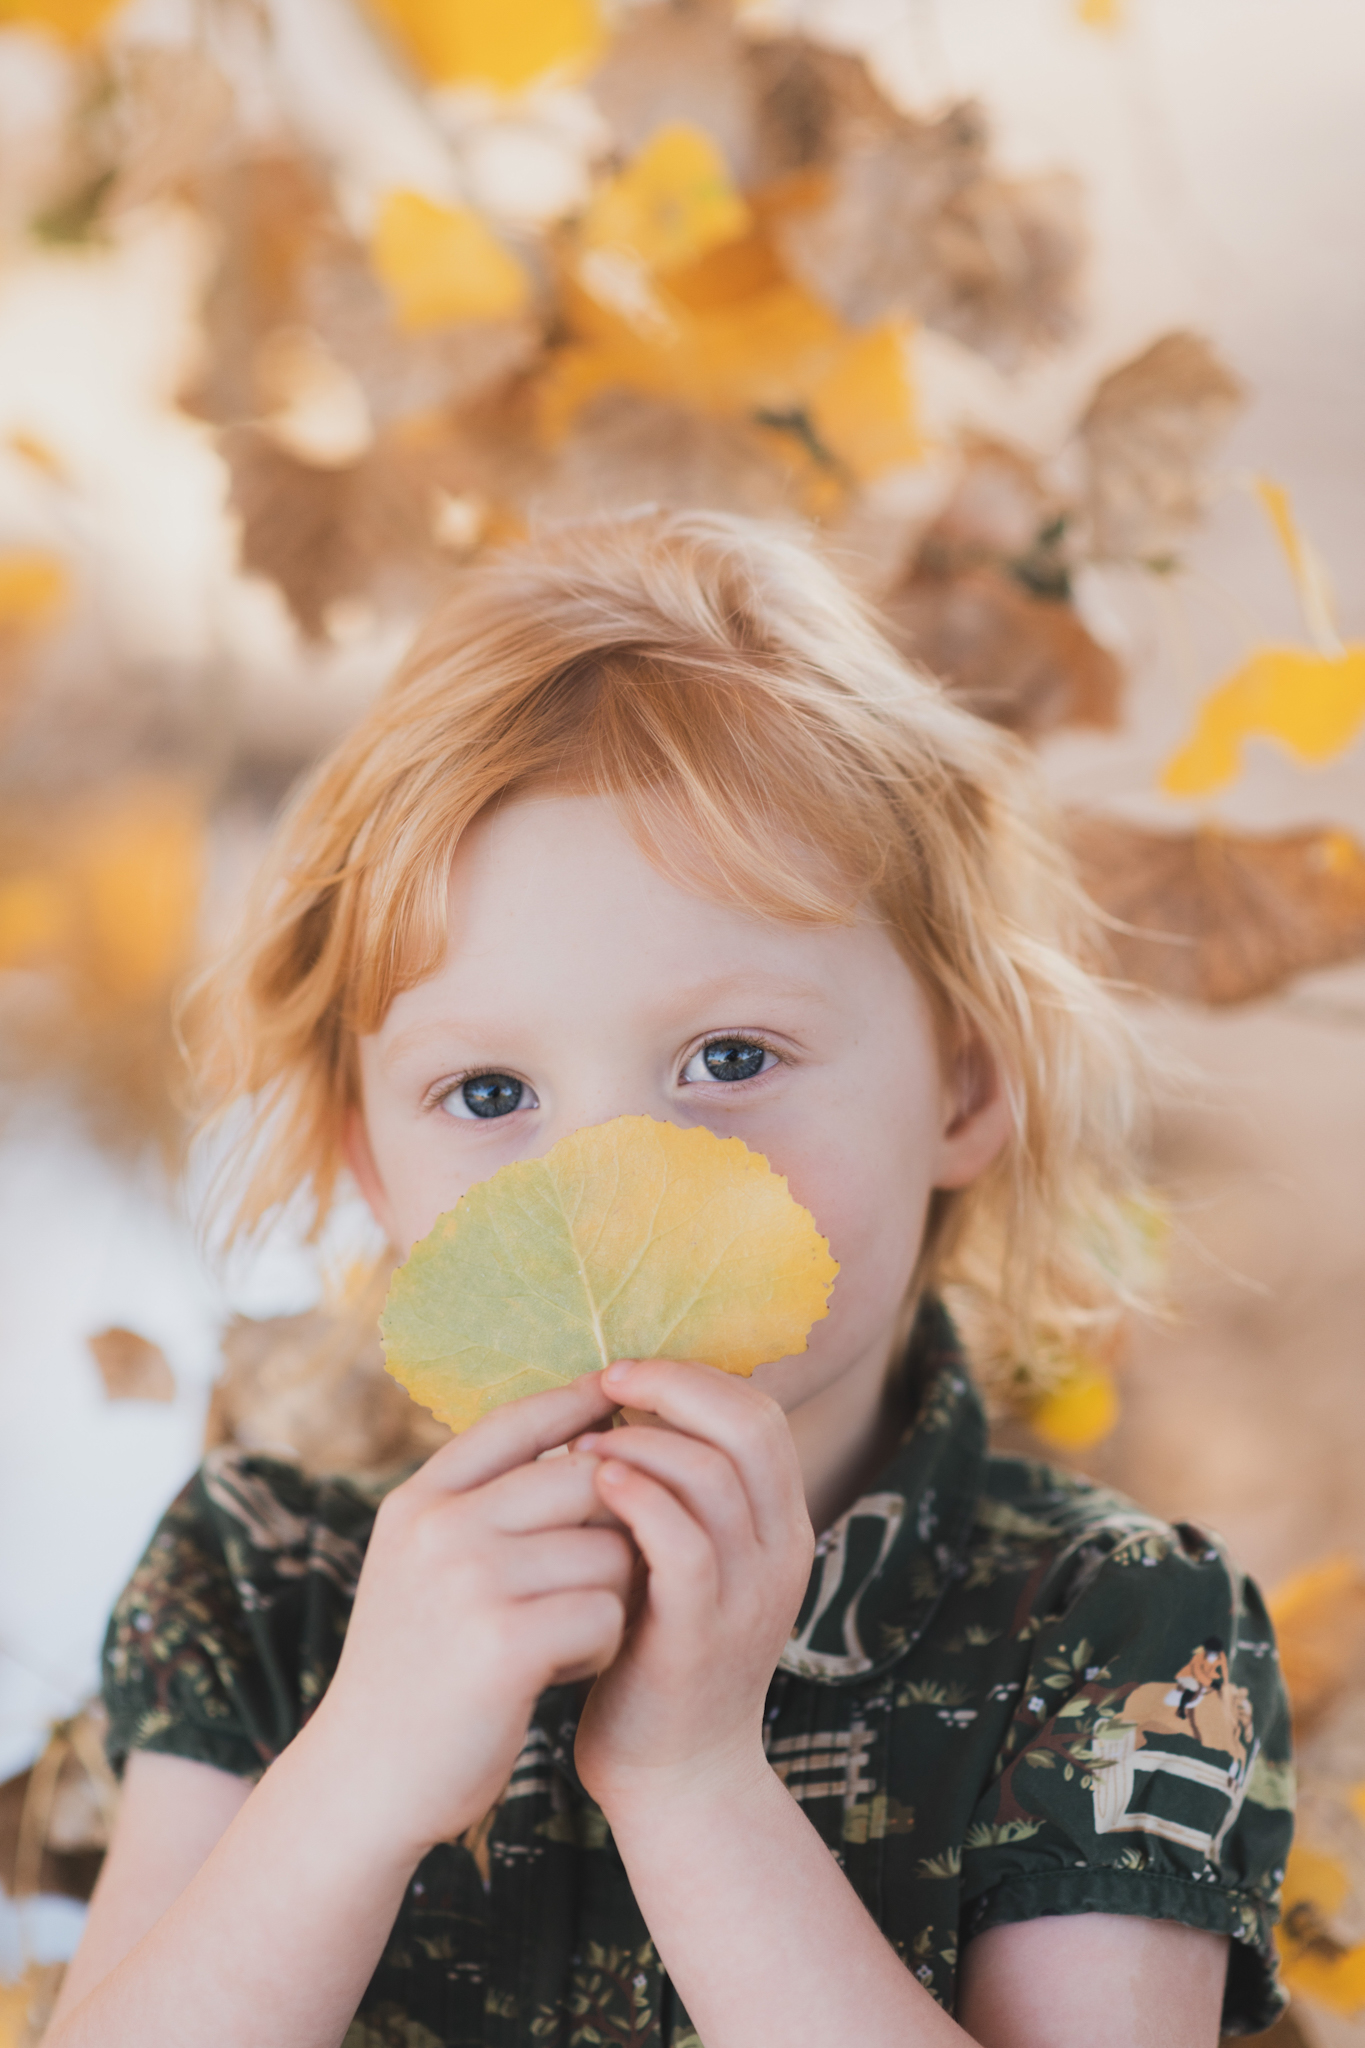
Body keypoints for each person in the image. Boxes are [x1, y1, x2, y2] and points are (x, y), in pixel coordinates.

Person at [46, 511, 1292, 2048]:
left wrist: (694, 1782)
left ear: (964, 1088)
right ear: (368, 1164)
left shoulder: (1120, 1629)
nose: (611, 1178)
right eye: (491, 1095)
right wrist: (357, 1773)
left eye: (730, 1058)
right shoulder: (263, 1582)